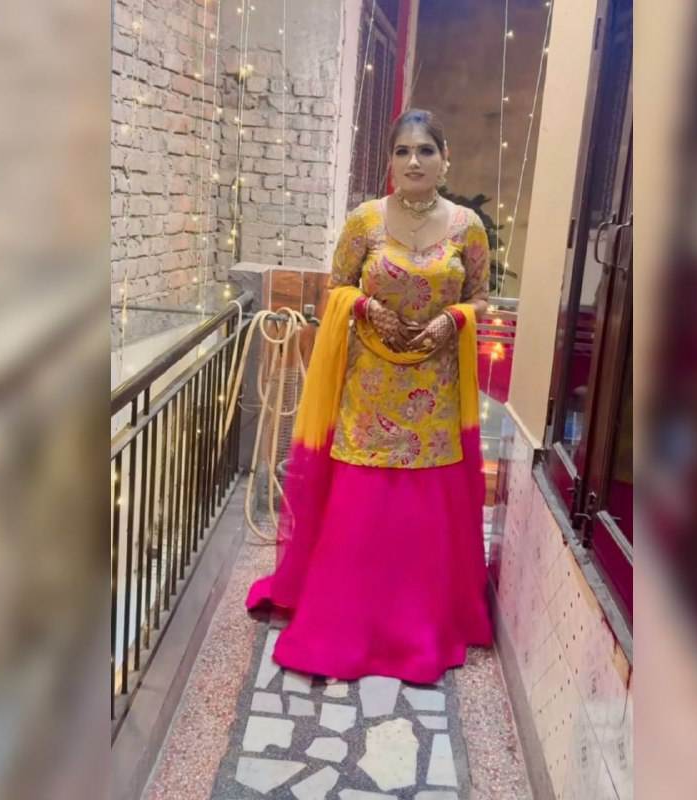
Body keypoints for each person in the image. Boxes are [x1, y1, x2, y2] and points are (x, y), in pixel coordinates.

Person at [246, 108, 493, 684]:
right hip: (369, 386)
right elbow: (337, 287)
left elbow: (482, 298)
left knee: (421, 515)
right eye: (403, 151)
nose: (414, 161)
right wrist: (368, 308)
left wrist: (453, 319)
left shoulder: (468, 227)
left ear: (445, 159)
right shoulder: (365, 220)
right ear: (390, 161)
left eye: (426, 150)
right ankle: (346, 622)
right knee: (360, 508)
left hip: (434, 388)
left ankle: (416, 626)